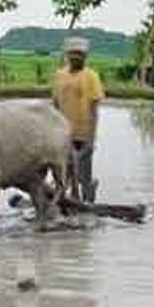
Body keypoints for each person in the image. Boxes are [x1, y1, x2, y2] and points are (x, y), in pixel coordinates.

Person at [51, 37, 106, 202]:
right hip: (62, 133)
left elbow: (94, 109)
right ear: (67, 55)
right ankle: (65, 200)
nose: (76, 57)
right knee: (62, 172)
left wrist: (91, 138)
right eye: (73, 54)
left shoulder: (91, 76)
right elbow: (55, 105)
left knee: (83, 174)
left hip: (82, 133)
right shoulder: (60, 75)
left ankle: (88, 200)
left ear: (85, 57)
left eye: (80, 54)